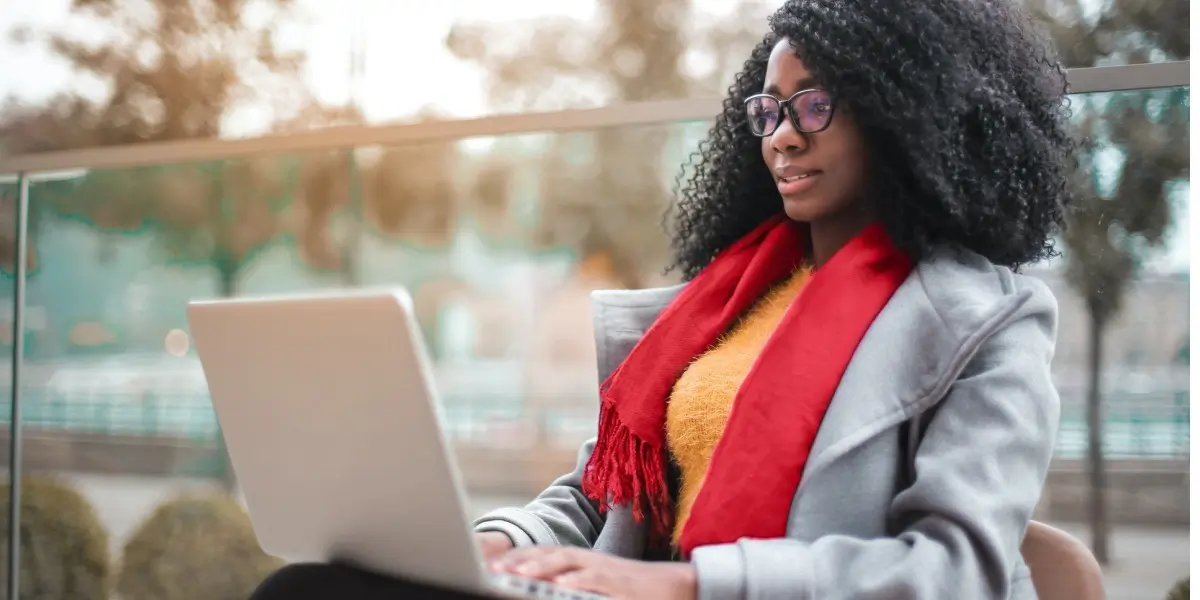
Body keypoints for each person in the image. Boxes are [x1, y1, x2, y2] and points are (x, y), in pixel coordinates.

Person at [250, 0, 1073, 598]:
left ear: (905, 113)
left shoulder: (988, 321)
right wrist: (502, 544)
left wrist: (689, 586)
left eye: (818, 104)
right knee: (314, 587)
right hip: (625, 593)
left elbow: (949, 572)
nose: (784, 135)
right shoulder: (725, 301)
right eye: (770, 110)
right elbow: (599, 494)